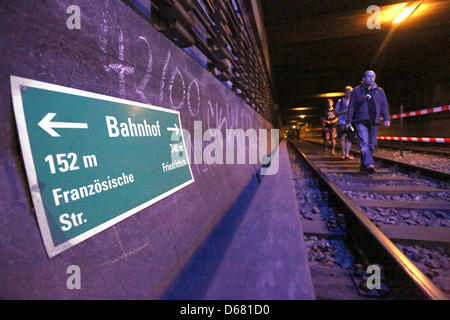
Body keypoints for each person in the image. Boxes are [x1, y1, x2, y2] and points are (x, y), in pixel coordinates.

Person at [346, 70, 390, 174]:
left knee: (371, 145)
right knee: (364, 144)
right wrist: (349, 121)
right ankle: (370, 164)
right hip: (360, 121)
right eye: (369, 76)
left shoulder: (379, 91)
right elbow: (351, 106)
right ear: (363, 79)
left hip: (374, 121)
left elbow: (384, 105)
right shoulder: (356, 91)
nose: (371, 78)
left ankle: (363, 165)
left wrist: (386, 118)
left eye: (373, 76)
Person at [335, 86, 355, 160]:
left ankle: (347, 154)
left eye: (350, 91)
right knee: (342, 137)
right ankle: (343, 154)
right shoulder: (340, 101)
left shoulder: (354, 101)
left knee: (350, 138)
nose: (349, 93)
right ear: (345, 92)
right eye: (347, 91)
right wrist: (342, 112)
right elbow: (336, 112)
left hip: (351, 121)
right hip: (342, 121)